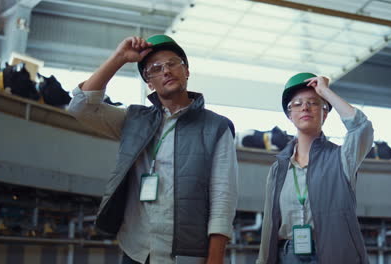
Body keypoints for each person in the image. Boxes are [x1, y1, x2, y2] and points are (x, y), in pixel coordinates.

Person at [67, 35, 238, 264]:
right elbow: (80, 107)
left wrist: (215, 258)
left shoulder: (217, 127)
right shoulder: (134, 120)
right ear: (149, 82)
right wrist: (119, 58)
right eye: (155, 69)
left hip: (185, 255)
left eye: (172, 63)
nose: (166, 71)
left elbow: (223, 198)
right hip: (136, 251)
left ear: (186, 71)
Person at [256, 72, 374, 264]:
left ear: (325, 113)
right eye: (297, 103)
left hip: (333, 254)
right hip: (287, 256)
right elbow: (269, 224)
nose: (305, 107)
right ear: (289, 115)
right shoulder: (279, 169)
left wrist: (326, 91)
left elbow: (361, 128)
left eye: (313, 102)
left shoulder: (342, 158)